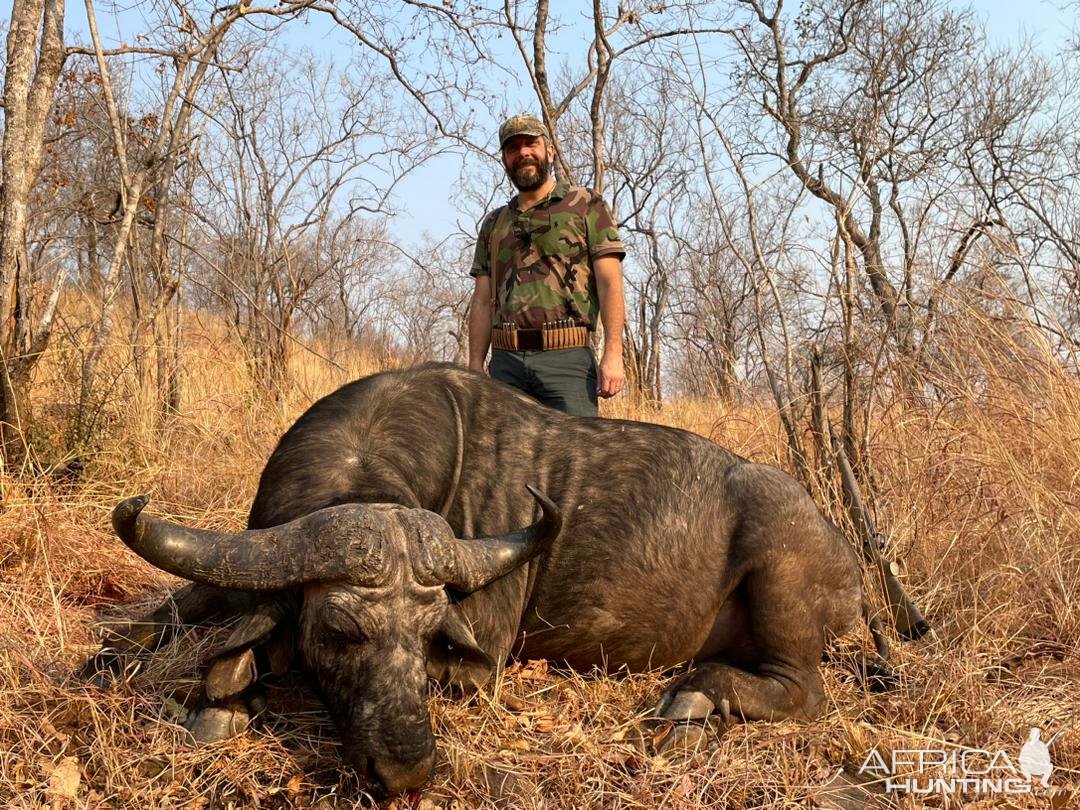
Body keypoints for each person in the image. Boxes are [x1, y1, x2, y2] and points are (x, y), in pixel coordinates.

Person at [467, 113, 626, 417]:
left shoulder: (586, 204)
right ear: (504, 159)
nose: (523, 152)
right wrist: (475, 366)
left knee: (577, 460)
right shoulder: (494, 223)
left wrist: (614, 353)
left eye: (531, 144)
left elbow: (610, 282)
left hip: (567, 361)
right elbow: (482, 301)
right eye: (513, 148)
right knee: (505, 461)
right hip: (506, 366)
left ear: (549, 151)